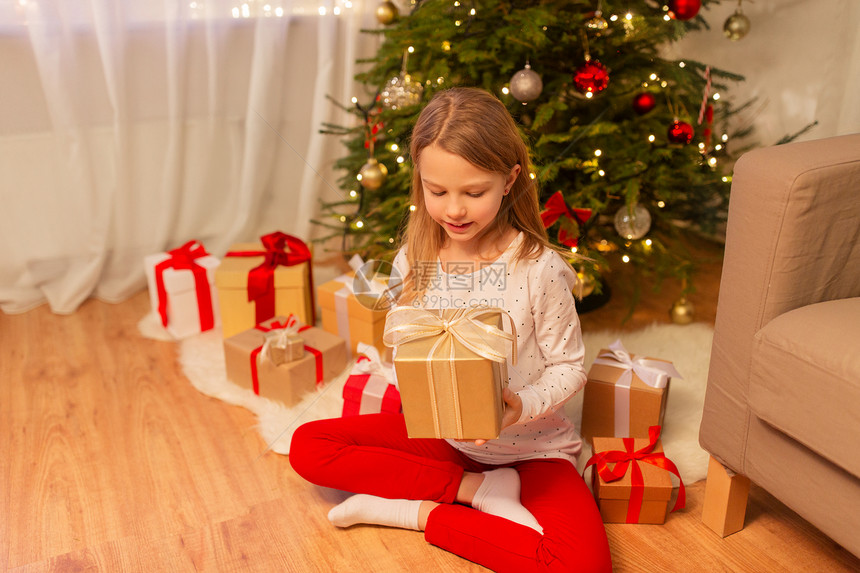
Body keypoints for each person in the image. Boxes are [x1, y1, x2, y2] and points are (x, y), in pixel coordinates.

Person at [290, 87, 612, 572]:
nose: (453, 211)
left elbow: (569, 367)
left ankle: (412, 512)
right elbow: (402, 342)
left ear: (509, 181)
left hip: (533, 450)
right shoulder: (414, 260)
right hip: (444, 441)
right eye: (436, 191)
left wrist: (517, 406)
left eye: (473, 192)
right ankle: (474, 491)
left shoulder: (538, 268)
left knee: (582, 567)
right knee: (308, 445)